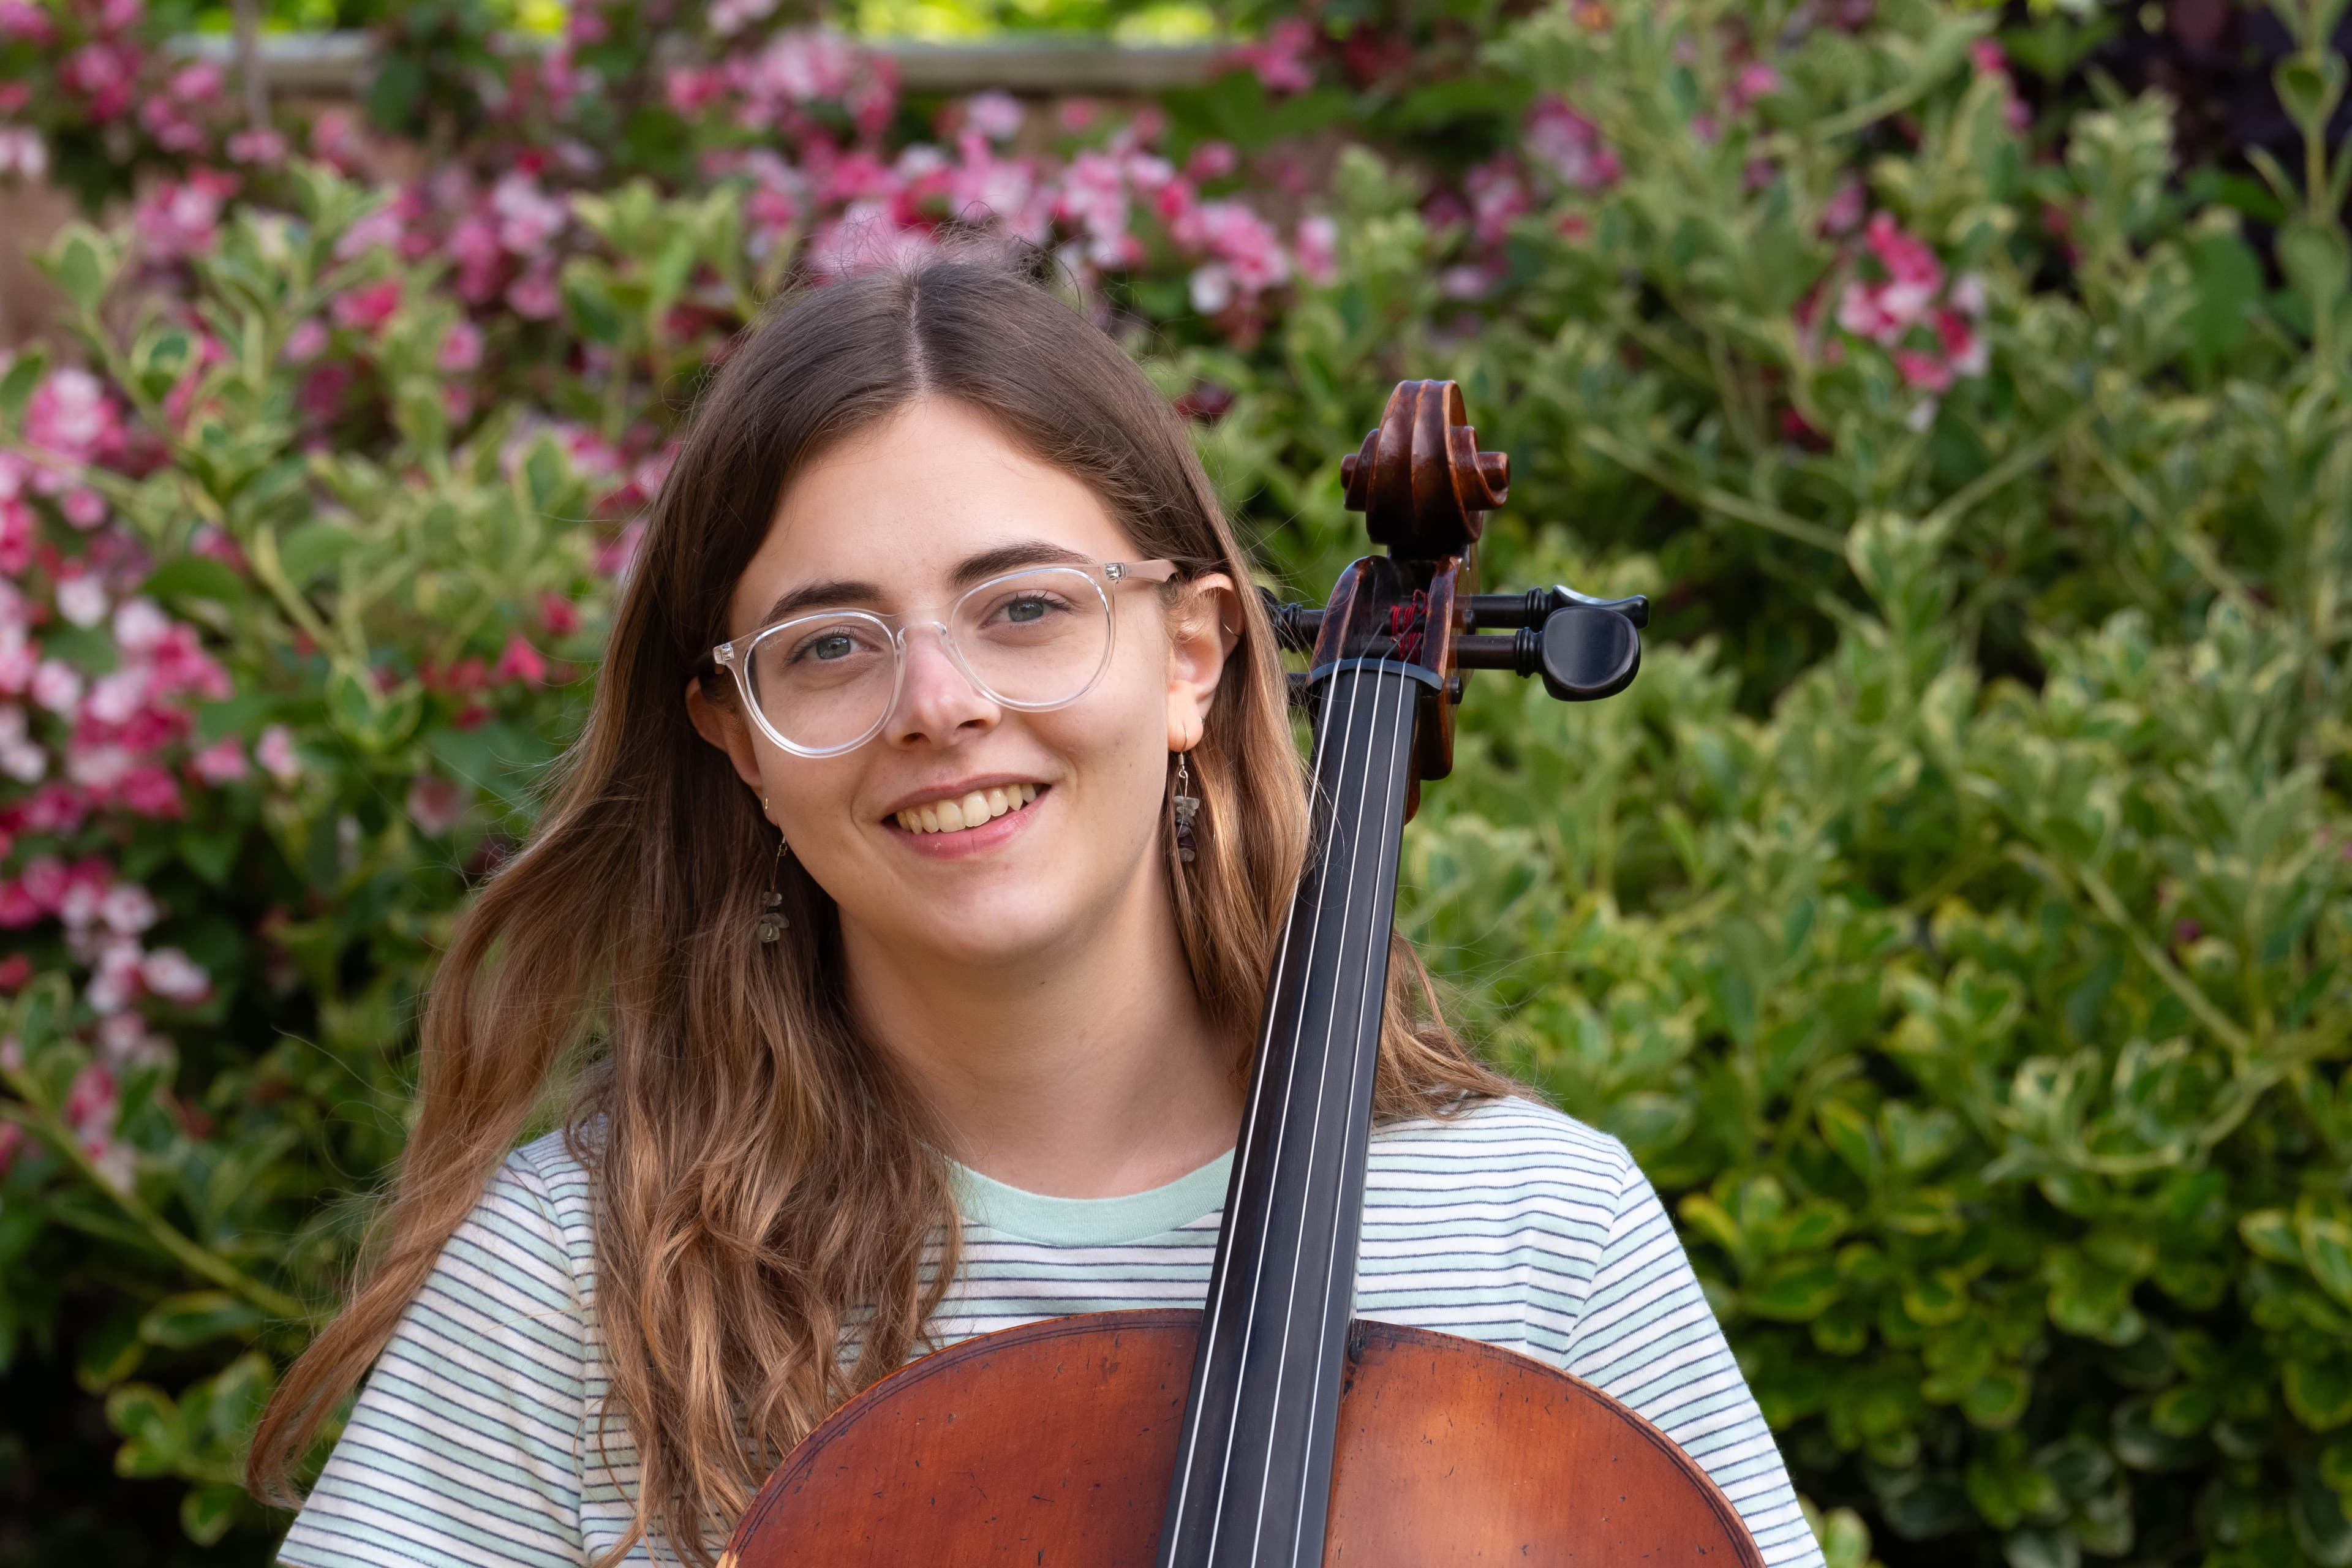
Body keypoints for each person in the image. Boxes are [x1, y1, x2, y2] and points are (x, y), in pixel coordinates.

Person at [249, 254, 1826, 1568]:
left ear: (1193, 656)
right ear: (736, 739)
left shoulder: (1536, 1232)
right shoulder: (581, 1274)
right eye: (828, 645)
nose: (938, 703)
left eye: (1024, 608)